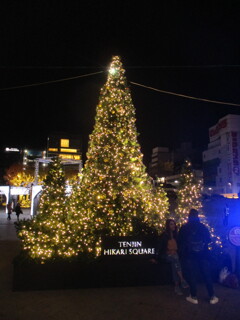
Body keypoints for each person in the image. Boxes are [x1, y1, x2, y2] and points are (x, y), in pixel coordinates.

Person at [178, 208, 219, 305]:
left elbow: (180, 241)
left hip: (189, 254)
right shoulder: (202, 227)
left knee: (192, 275)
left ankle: (194, 296)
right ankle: (212, 296)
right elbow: (208, 240)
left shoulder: (184, 227)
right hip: (203, 254)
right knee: (206, 274)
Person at [158, 219, 189, 295]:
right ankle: (182, 280)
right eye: (171, 224)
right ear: (168, 226)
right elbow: (160, 247)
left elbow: (178, 247)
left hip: (175, 255)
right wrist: (156, 257)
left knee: (174, 263)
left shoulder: (176, 235)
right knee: (175, 259)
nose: (173, 226)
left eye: (174, 224)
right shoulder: (164, 236)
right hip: (166, 255)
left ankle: (177, 286)